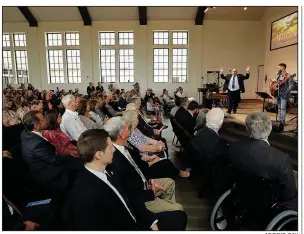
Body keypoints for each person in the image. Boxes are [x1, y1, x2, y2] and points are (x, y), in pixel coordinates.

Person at [104, 120, 188, 230]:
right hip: (141, 197)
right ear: (121, 134)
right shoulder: (115, 159)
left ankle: (166, 210)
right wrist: (150, 191)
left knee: (169, 182)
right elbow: (131, 193)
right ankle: (169, 212)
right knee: (179, 208)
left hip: (144, 183)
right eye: (127, 128)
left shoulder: (124, 146)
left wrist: (149, 179)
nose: (130, 129)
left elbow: (138, 164)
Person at [63, 129, 140, 230]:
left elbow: (128, 200)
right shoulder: (84, 195)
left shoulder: (111, 170)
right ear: (98, 155)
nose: (114, 150)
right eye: (110, 147)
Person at [229, 112, 297, 211]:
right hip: (269, 203)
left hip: (242, 192)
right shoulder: (281, 159)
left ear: (247, 129)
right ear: (269, 130)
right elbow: (289, 194)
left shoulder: (233, 148)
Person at [21, 110, 69, 191]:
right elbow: (54, 160)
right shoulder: (36, 144)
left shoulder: (28, 133)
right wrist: (70, 156)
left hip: (49, 164)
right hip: (50, 175)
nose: (46, 121)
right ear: (36, 126)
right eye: (43, 120)